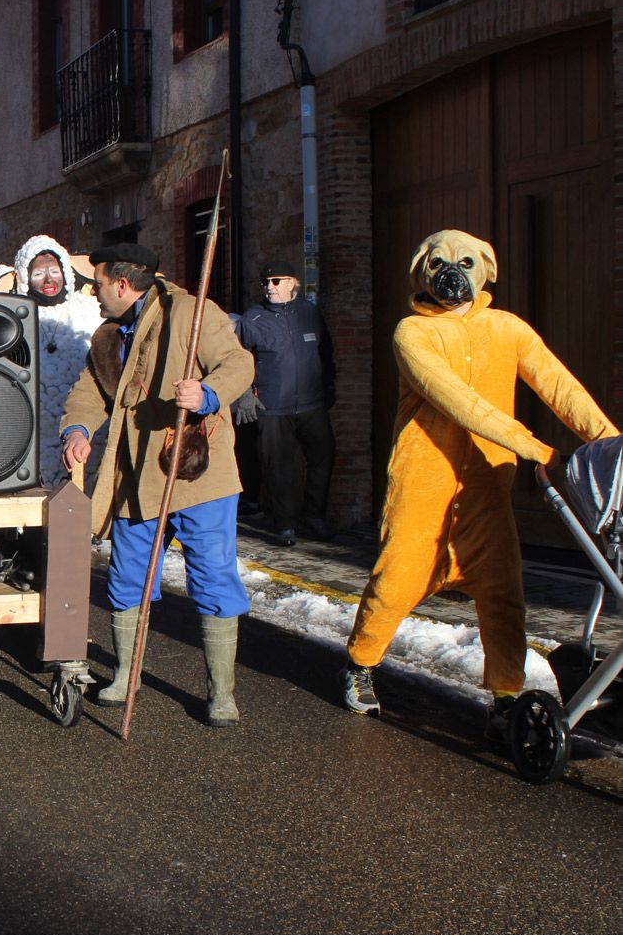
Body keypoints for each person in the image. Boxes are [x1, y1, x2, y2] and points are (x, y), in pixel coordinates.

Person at [343, 230, 617, 733]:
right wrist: (538, 448)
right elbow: (456, 401)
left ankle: (506, 698)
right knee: (396, 581)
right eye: (440, 264)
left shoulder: (508, 328)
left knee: (503, 593)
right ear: (422, 274)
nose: (453, 273)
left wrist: (612, 445)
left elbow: (559, 386)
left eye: (466, 263)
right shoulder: (413, 333)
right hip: (424, 481)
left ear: (487, 270)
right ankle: (360, 664)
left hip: (488, 488)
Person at [60, 244, 254, 727]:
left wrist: (207, 393)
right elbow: (90, 392)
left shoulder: (191, 312)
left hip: (196, 473)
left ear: (122, 284)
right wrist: (79, 429)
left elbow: (238, 363)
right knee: (127, 578)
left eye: (98, 282)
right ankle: (127, 675)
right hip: (136, 476)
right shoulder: (108, 335)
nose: (94, 292)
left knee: (211, 577)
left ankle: (222, 693)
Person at [236, 261, 337, 547]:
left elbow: (326, 353)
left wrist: (329, 389)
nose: (270, 287)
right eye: (265, 282)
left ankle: (314, 516)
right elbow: (238, 360)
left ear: (293, 282)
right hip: (272, 406)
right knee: (278, 466)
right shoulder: (252, 319)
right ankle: (285, 524)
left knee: (323, 457)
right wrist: (245, 393)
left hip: (311, 404)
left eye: (277, 281)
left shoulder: (309, 312)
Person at [14, 235, 104, 490]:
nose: (49, 279)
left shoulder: (89, 311)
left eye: (54, 271)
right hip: (33, 439)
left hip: (84, 433)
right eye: (39, 273)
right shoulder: (14, 317)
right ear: (25, 276)